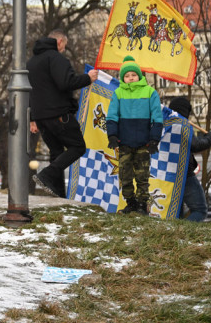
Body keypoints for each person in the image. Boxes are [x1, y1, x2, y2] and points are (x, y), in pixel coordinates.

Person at [27, 29, 99, 198]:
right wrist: (88, 78)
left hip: (40, 117)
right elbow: (66, 82)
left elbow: (29, 91)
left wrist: (32, 119)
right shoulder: (56, 59)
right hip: (59, 115)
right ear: (59, 42)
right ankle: (46, 175)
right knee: (78, 147)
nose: (64, 49)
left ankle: (58, 194)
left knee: (56, 152)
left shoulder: (31, 63)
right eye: (64, 45)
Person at [106, 55, 163, 215]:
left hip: (144, 143)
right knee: (125, 175)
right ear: (123, 78)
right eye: (127, 76)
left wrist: (154, 140)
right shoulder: (118, 93)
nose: (130, 78)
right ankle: (130, 203)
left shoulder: (150, 92)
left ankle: (141, 204)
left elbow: (157, 118)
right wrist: (112, 135)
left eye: (133, 75)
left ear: (139, 75)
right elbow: (112, 116)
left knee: (142, 176)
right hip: (124, 142)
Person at [169, 96, 211, 222]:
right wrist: (210, 138)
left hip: (168, 174)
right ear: (186, 111)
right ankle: (181, 232)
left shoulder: (165, 124)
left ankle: (174, 235)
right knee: (200, 210)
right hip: (185, 173)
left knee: (175, 211)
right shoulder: (182, 125)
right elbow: (195, 145)